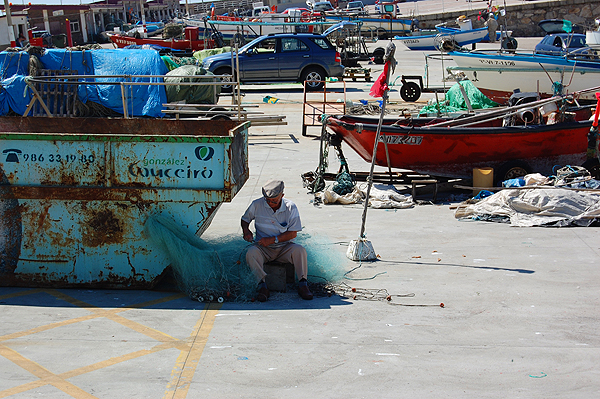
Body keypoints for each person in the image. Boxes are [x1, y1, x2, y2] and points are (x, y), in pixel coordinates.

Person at [241, 179, 313, 302]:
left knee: (300, 251)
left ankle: (303, 284)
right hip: (263, 248)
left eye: (274, 201)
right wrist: (246, 231)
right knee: (251, 253)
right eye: (267, 200)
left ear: (282, 196)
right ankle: (262, 285)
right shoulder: (257, 204)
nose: (270, 203)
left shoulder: (291, 207)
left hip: (284, 248)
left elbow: (292, 233)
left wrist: (273, 240)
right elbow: (245, 219)